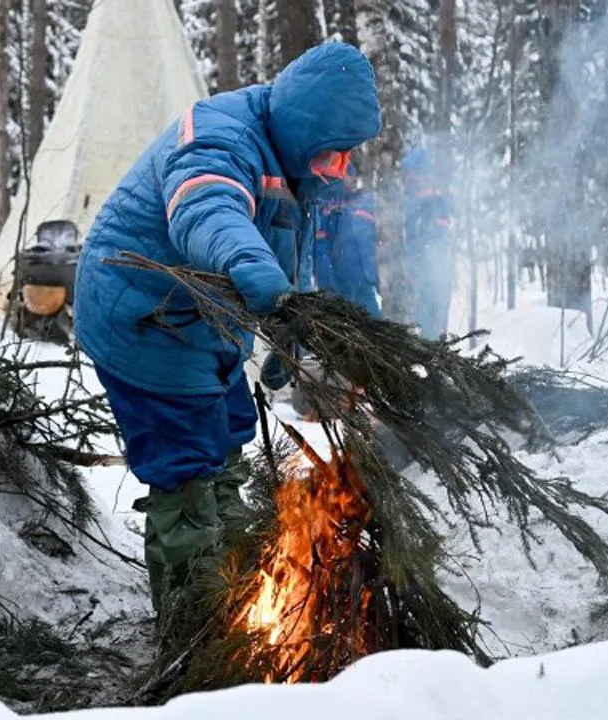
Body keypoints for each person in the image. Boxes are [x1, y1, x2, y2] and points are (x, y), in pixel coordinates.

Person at [72, 42, 382, 615]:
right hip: (142, 315)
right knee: (186, 463)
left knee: (231, 430)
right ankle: (192, 626)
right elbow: (206, 207)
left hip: (201, 319)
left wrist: (292, 333)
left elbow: (291, 256)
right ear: (307, 125)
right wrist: (251, 267)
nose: (337, 171)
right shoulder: (219, 134)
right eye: (333, 155)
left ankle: (237, 585)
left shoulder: (290, 161)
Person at [312, 165, 382, 317]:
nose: (355, 179)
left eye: (356, 175)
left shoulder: (361, 202)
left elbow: (369, 244)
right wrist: (327, 282)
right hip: (341, 282)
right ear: (340, 175)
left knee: (375, 325)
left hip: (363, 281)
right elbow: (320, 245)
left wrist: (374, 275)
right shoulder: (328, 203)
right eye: (350, 175)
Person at [401, 145, 453, 340]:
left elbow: (437, 236)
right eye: (408, 174)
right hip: (415, 269)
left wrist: (415, 251)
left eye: (413, 173)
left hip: (430, 270)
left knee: (430, 315)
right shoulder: (409, 200)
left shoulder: (436, 202)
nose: (409, 179)